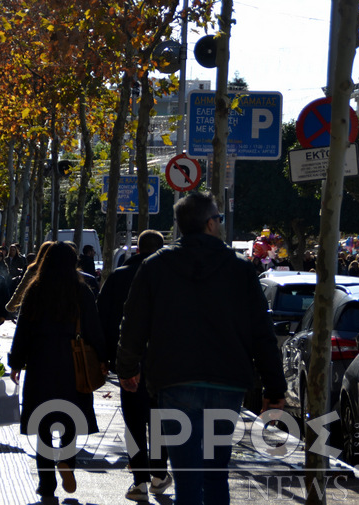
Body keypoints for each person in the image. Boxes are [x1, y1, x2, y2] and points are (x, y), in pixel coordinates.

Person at [116, 192, 286, 505]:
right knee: (215, 473)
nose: (219, 223)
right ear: (210, 224)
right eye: (218, 219)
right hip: (227, 382)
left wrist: (127, 368)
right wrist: (274, 388)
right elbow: (262, 333)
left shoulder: (155, 266)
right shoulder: (240, 270)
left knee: (187, 477)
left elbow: (134, 321)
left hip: (175, 380)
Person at [9, 242, 107, 502]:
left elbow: (23, 331)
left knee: (43, 425)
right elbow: (94, 328)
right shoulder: (81, 291)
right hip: (73, 364)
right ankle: (66, 461)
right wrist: (103, 358)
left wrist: (16, 362)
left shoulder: (35, 290)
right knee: (69, 419)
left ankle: (46, 484)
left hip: (40, 363)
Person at [96, 230, 171, 501]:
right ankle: (159, 475)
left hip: (128, 362)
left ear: (137, 249)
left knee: (134, 422)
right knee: (159, 419)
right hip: (163, 363)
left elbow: (102, 318)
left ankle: (139, 480)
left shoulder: (118, 277)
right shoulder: (169, 278)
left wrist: (105, 358)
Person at [5, 241, 54, 314]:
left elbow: (21, 288)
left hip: (33, 309)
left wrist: (11, 306)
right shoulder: (61, 272)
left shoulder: (33, 269)